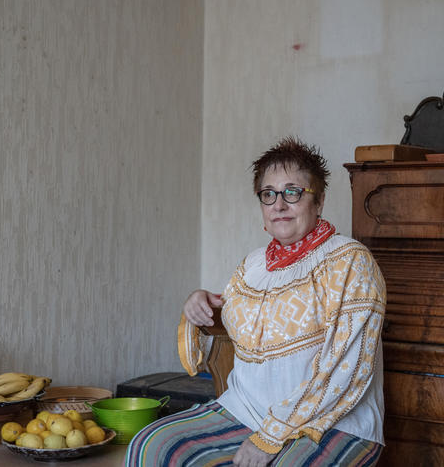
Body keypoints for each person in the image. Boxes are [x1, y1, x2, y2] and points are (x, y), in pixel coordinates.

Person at [126, 137, 386, 467]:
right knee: (151, 443)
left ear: (318, 201)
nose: (279, 204)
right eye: (269, 194)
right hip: (245, 410)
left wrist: (270, 437)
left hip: (334, 423)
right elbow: (221, 343)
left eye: (293, 192)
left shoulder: (350, 261)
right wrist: (197, 307)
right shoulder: (251, 266)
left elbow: (346, 372)